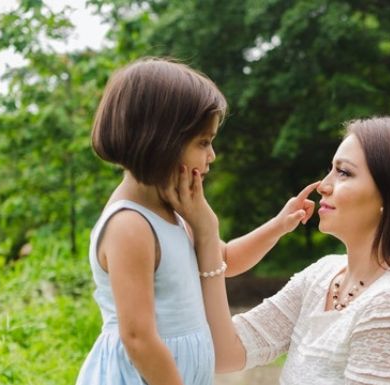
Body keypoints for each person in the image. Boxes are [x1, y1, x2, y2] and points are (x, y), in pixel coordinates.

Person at [75, 57, 317, 385]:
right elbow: (139, 339)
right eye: (203, 142)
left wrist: (279, 225)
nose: (212, 155)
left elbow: (226, 260)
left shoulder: (177, 214)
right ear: (160, 141)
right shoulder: (130, 225)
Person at [166, 116, 390, 384]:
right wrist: (205, 234)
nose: (324, 186)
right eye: (331, 170)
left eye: (343, 173)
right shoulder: (322, 275)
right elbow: (225, 352)